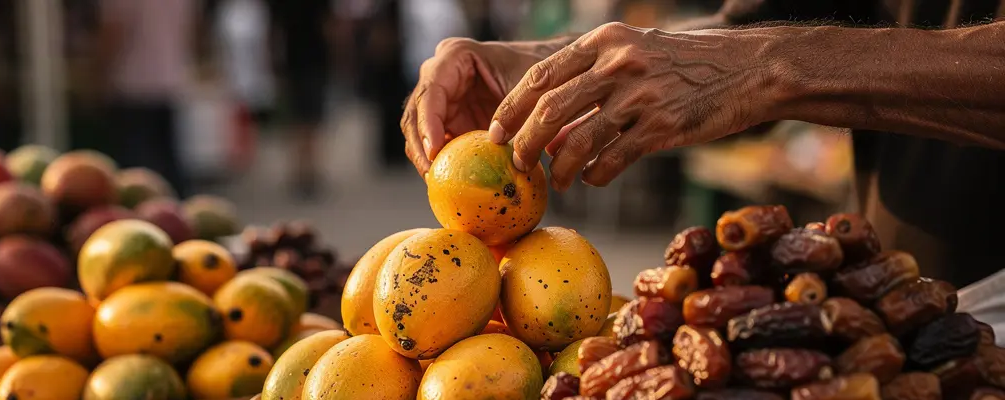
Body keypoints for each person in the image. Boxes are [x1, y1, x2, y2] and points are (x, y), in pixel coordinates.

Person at [401, 1, 1005, 289]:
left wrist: (769, 71)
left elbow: (763, 54)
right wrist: (547, 65)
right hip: (913, 313)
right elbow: (759, 28)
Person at [98, 0, 199, 198]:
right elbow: (193, 30)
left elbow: (114, 32)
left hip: (134, 86)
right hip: (171, 82)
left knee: (136, 173)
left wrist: (99, 74)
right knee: (170, 165)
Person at [268, 0, 333, 198]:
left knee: (297, 122)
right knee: (311, 121)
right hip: (314, 60)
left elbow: (274, 30)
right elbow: (329, 25)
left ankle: (300, 173)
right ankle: (309, 172)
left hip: (292, 62)